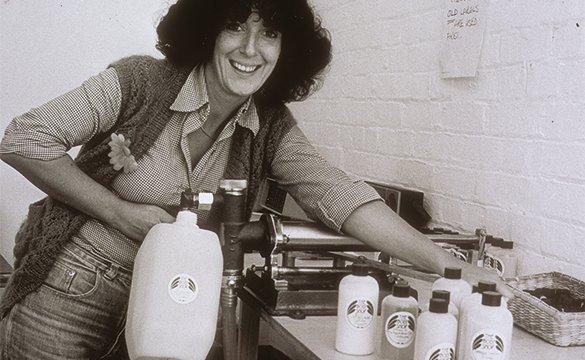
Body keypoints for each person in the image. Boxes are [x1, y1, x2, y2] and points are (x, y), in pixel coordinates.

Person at [0, 0, 511, 358]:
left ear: (287, 49)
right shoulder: (140, 82)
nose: (250, 48)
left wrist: (451, 267)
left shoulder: (269, 125)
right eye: (234, 27)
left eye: (269, 32)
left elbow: (337, 195)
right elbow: (23, 139)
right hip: (72, 289)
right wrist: (119, 212)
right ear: (207, 32)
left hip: (172, 304)